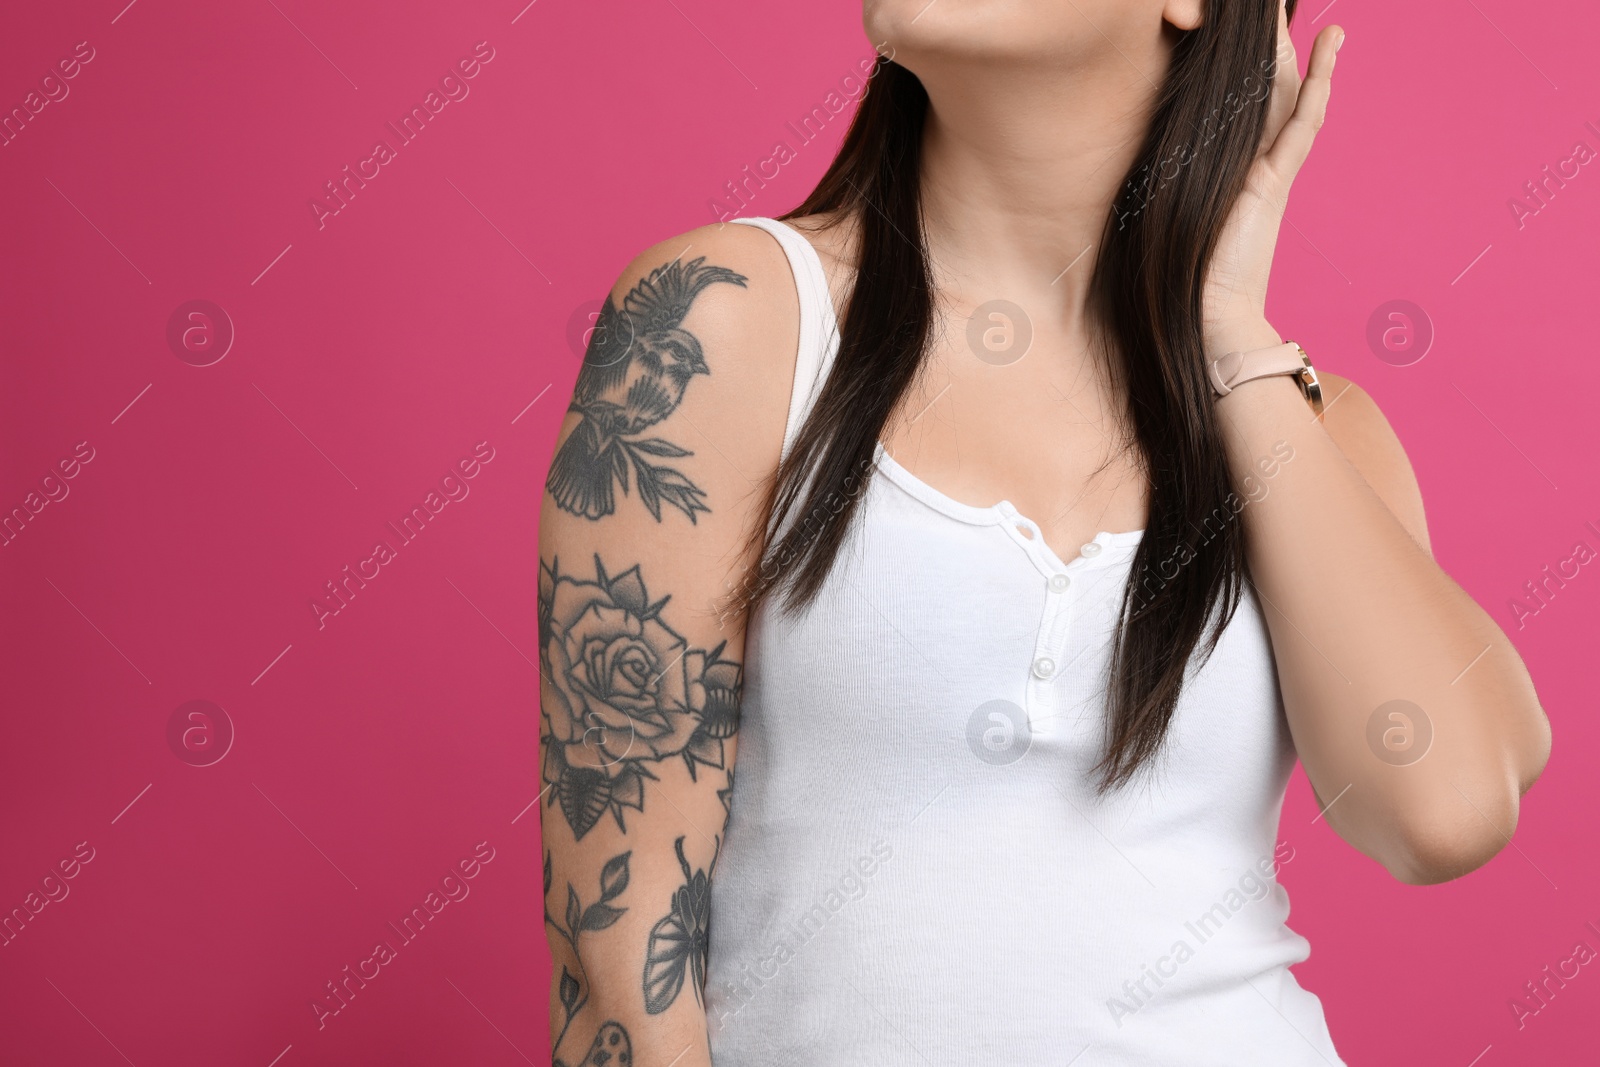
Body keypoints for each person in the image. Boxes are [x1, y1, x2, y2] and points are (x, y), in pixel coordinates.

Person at [537, 1, 1552, 1063]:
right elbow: (620, 987)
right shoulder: (719, 323)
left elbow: (1444, 808)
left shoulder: (1303, 425)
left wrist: (1229, 340)